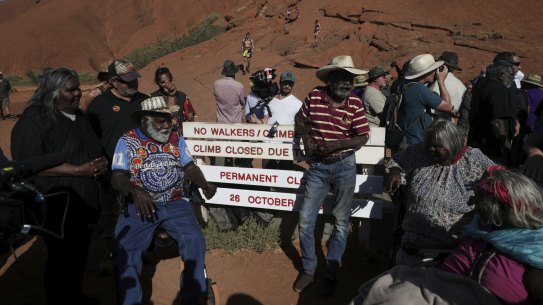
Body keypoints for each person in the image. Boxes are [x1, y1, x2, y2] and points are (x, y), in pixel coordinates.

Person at [10, 67, 108, 305]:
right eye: (70, 90)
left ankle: (74, 295)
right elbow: (25, 163)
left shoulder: (80, 117)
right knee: (61, 257)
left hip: (85, 201)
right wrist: (77, 170)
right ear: (53, 92)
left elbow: (91, 147)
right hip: (57, 203)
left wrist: (102, 161)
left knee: (80, 252)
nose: (77, 94)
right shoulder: (37, 118)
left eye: (78, 88)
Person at [110, 96, 217, 305]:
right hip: (140, 207)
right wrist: (135, 191)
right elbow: (117, 176)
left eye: (168, 119)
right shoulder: (127, 141)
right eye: (161, 120)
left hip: (175, 203)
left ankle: (193, 298)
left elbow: (190, 167)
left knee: (194, 241)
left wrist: (204, 184)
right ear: (144, 121)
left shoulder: (176, 139)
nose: (167, 125)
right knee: (125, 252)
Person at [293, 55, 370, 297]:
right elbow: (299, 118)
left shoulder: (355, 103)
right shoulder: (315, 95)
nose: (347, 84)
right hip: (317, 166)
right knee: (306, 220)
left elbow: (363, 136)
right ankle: (309, 268)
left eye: (351, 80)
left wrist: (338, 143)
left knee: (340, 221)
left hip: (344, 165)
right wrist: (305, 137)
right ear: (331, 79)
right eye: (343, 79)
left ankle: (332, 270)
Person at [386, 119, 495, 266]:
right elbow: (397, 160)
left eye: (438, 146)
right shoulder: (419, 153)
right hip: (412, 247)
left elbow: (499, 177)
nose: (431, 149)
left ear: (453, 144)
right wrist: (395, 171)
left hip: (451, 254)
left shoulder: (473, 160)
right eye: (430, 145)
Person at [439, 167, 543, 305]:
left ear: (501, 210)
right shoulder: (481, 231)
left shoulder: (535, 250)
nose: (473, 203)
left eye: (482, 200)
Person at [85, 59, 149, 275]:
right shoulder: (99, 105)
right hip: (111, 174)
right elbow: (90, 138)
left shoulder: (145, 101)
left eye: (134, 80)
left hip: (144, 172)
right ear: (113, 81)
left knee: (142, 209)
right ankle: (112, 252)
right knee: (112, 214)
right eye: (127, 81)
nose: (133, 84)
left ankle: (141, 248)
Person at [211, 60, 250, 230]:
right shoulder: (239, 86)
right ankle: (236, 190)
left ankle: (222, 188)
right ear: (233, 72)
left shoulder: (216, 84)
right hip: (235, 129)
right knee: (236, 162)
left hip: (221, 128)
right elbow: (242, 103)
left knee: (219, 162)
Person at [467, 60, 527, 166]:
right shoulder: (498, 90)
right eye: (511, 74)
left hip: (477, 143)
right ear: (501, 74)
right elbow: (497, 122)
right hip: (491, 148)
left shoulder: (483, 86)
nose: (513, 78)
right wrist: (507, 147)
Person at [398, 53, 452, 148]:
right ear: (427, 72)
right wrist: (441, 81)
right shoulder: (419, 90)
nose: (436, 72)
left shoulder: (406, 86)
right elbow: (448, 107)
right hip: (414, 144)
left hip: (405, 140)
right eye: (434, 69)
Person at [151, 66, 197, 133]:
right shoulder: (152, 98)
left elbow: (191, 119)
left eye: (168, 81)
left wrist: (190, 120)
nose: (167, 84)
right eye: (163, 82)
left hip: (181, 136)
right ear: (157, 82)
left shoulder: (182, 96)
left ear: (171, 79)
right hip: (162, 137)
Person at [430, 51, 467, 120]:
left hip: (434, 121)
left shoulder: (437, 82)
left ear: (442, 66)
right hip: (450, 123)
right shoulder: (461, 86)